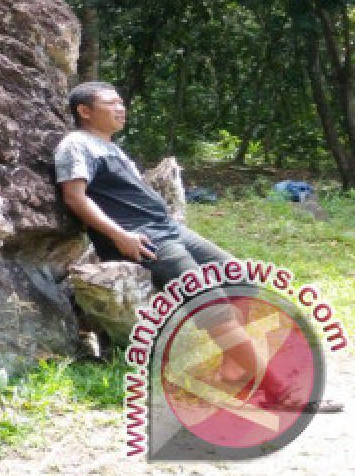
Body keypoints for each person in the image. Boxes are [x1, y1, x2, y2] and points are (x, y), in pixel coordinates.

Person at [54, 81, 341, 413]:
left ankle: (233, 370)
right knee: (211, 303)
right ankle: (279, 391)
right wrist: (119, 236)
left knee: (241, 280)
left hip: (169, 230)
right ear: (85, 111)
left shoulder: (111, 147)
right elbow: (75, 196)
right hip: (143, 239)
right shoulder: (76, 144)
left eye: (121, 102)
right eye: (110, 103)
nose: (121, 108)